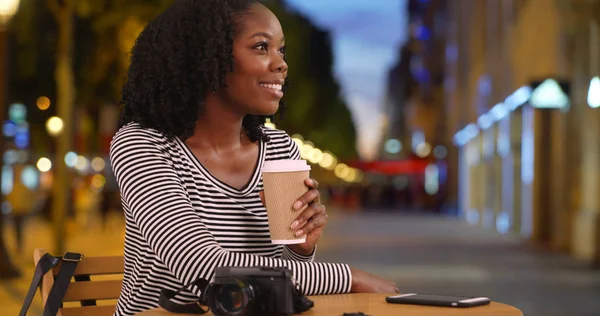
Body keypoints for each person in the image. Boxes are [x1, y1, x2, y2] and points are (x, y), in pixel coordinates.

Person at [110, 1, 398, 315]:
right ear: (208, 57)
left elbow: (280, 279)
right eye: (261, 47)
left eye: (282, 51)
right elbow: (201, 265)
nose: (281, 64)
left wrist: (300, 249)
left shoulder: (278, 149)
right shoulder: (142, 144)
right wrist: (347, 277)